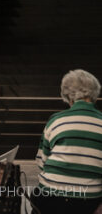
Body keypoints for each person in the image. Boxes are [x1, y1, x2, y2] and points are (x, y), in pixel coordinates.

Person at [33, 69, 102, 213]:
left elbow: (41, 161)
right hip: (88, 201)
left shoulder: (56, 120)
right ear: (95, 94)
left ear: (68, 97)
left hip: (50, 198)